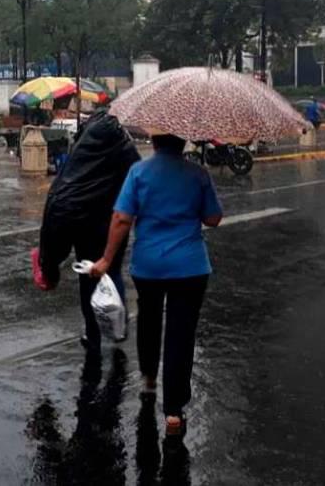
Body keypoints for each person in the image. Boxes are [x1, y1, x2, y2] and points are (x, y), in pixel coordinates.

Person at [91, 134, 223, 438]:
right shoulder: (198, 173)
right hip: (190, 267)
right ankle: (174, 411)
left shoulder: (139, 172)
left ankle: (150, 380)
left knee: (149, 320)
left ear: (153, 140)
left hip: (149, 266)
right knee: (181, 333)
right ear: (184, 142)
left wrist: (106, 260)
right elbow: (214, 218)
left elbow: (122, 218)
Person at [35, 110, 141, 352]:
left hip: (83, 224)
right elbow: (137, 180)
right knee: (111, 269)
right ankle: (118, 325)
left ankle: (93, 334)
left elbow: (59, 201)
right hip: (112, 222)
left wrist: (49, 264)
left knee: (88, 277)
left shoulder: (80, 152)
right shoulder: (124, 148)